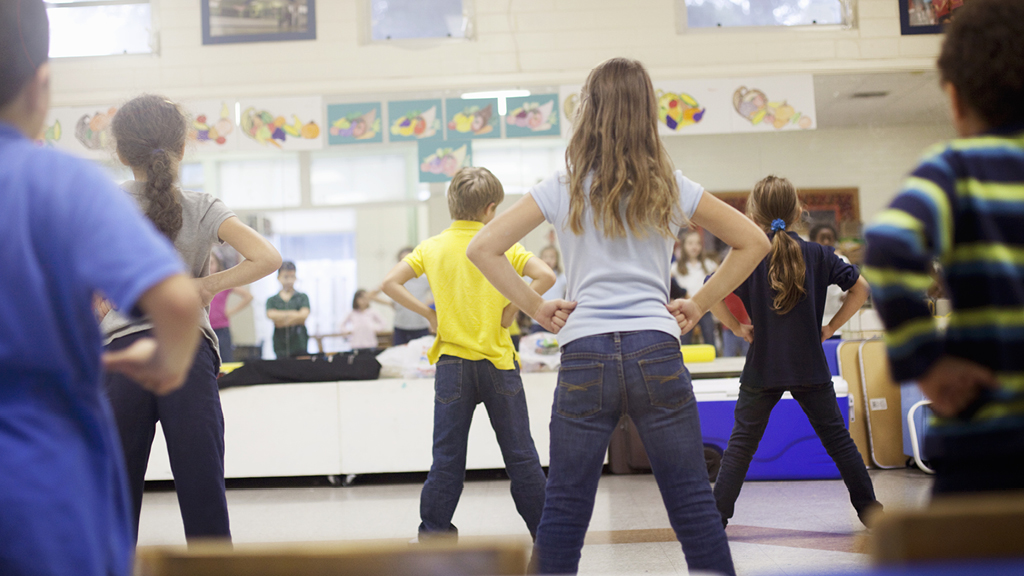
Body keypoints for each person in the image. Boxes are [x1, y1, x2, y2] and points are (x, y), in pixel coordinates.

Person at [468, 57, 769, 576]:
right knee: (695, 505)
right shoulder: (670, 186)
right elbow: (754, 240)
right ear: (647, 112)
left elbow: (483, 247)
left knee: (564, 509)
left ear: (589, 111)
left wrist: (536, 306)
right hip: (657, 349)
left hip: (583, 354)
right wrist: (698, 302)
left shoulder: (560, 187)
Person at [1, 3, 201, 574]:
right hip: (43, 478)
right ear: (42, 87)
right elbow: (177, 301)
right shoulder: (63, 186)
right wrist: (165, 361)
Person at [100, 94, 282, 543]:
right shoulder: (203, 206)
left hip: (122, 360)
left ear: (121, 154)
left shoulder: (103, 203)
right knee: (204, 497)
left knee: (114, 502)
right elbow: (268, 257)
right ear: (182, 149)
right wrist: (205, 288)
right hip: (189, 360)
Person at [863, 0, 1024, 494]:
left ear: (954, 99)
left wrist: (924, 361)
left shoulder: (957, 168)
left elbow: (889, 245)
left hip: (989, 438)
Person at [381, 166, 555, 542]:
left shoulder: (432, 246)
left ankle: (433, 536)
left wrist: (429, 314)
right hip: (498, 364)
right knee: (522, 457)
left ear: (451, 204)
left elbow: (389, 283)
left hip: (452, 367)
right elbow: (546, 276)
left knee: (446, 460)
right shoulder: (502, 243)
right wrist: (510, 311)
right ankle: (546, 534)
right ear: (491, 208)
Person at [709, 175, 881, 528]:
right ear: (799, 211)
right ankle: (871, 513)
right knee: (839, 443)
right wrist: (831, 328)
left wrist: (737, 328)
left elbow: (710, 297)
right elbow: (861, 289)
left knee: (741, 447)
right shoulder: (820, 254)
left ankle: (715, 519)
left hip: (762, 369)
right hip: (811, 368)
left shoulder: (745, 257)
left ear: (753, 214)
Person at [675, 229, 719, 354]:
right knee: (684, 341)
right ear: (683, 246)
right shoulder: (677, 267)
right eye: (690, 243)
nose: (694, 247)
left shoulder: (708, 264)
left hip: (705, 309)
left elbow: (718, 277)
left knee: (710, 338)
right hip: (684, 311)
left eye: (697, 243)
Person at [208, 253, 254, 363]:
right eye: (206, 263)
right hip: (204, 329)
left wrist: (230, 311)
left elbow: (248, 296)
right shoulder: (197, 282)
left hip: (221, 329)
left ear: (217, 264)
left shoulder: (223, 282)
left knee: (225, 360)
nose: (209, 267)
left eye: (211, 263)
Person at [809, 222, 849, 336]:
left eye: (829, 238)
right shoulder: (807, 261)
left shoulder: (842, 261)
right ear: (813, 240)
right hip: (814, 322)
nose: (826, 242)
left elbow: (853, 291)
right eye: (822, 238)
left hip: (837, 323)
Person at [390, 247, 434, 346]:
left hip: (420, 325)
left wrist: (424, 305)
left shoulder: (424, 279)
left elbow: (437, 296)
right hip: (400, 326)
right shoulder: (395, 279)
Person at [266, 261, 310, 358]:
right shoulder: (272, 300)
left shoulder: (302, 297)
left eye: (292, 277)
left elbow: (303, 316)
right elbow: (271, 315)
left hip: (299, 343)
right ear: (278, 277)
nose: (290, 280)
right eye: (286, 277)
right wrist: (295, 315)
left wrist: (281, 318)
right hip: (280, 345)